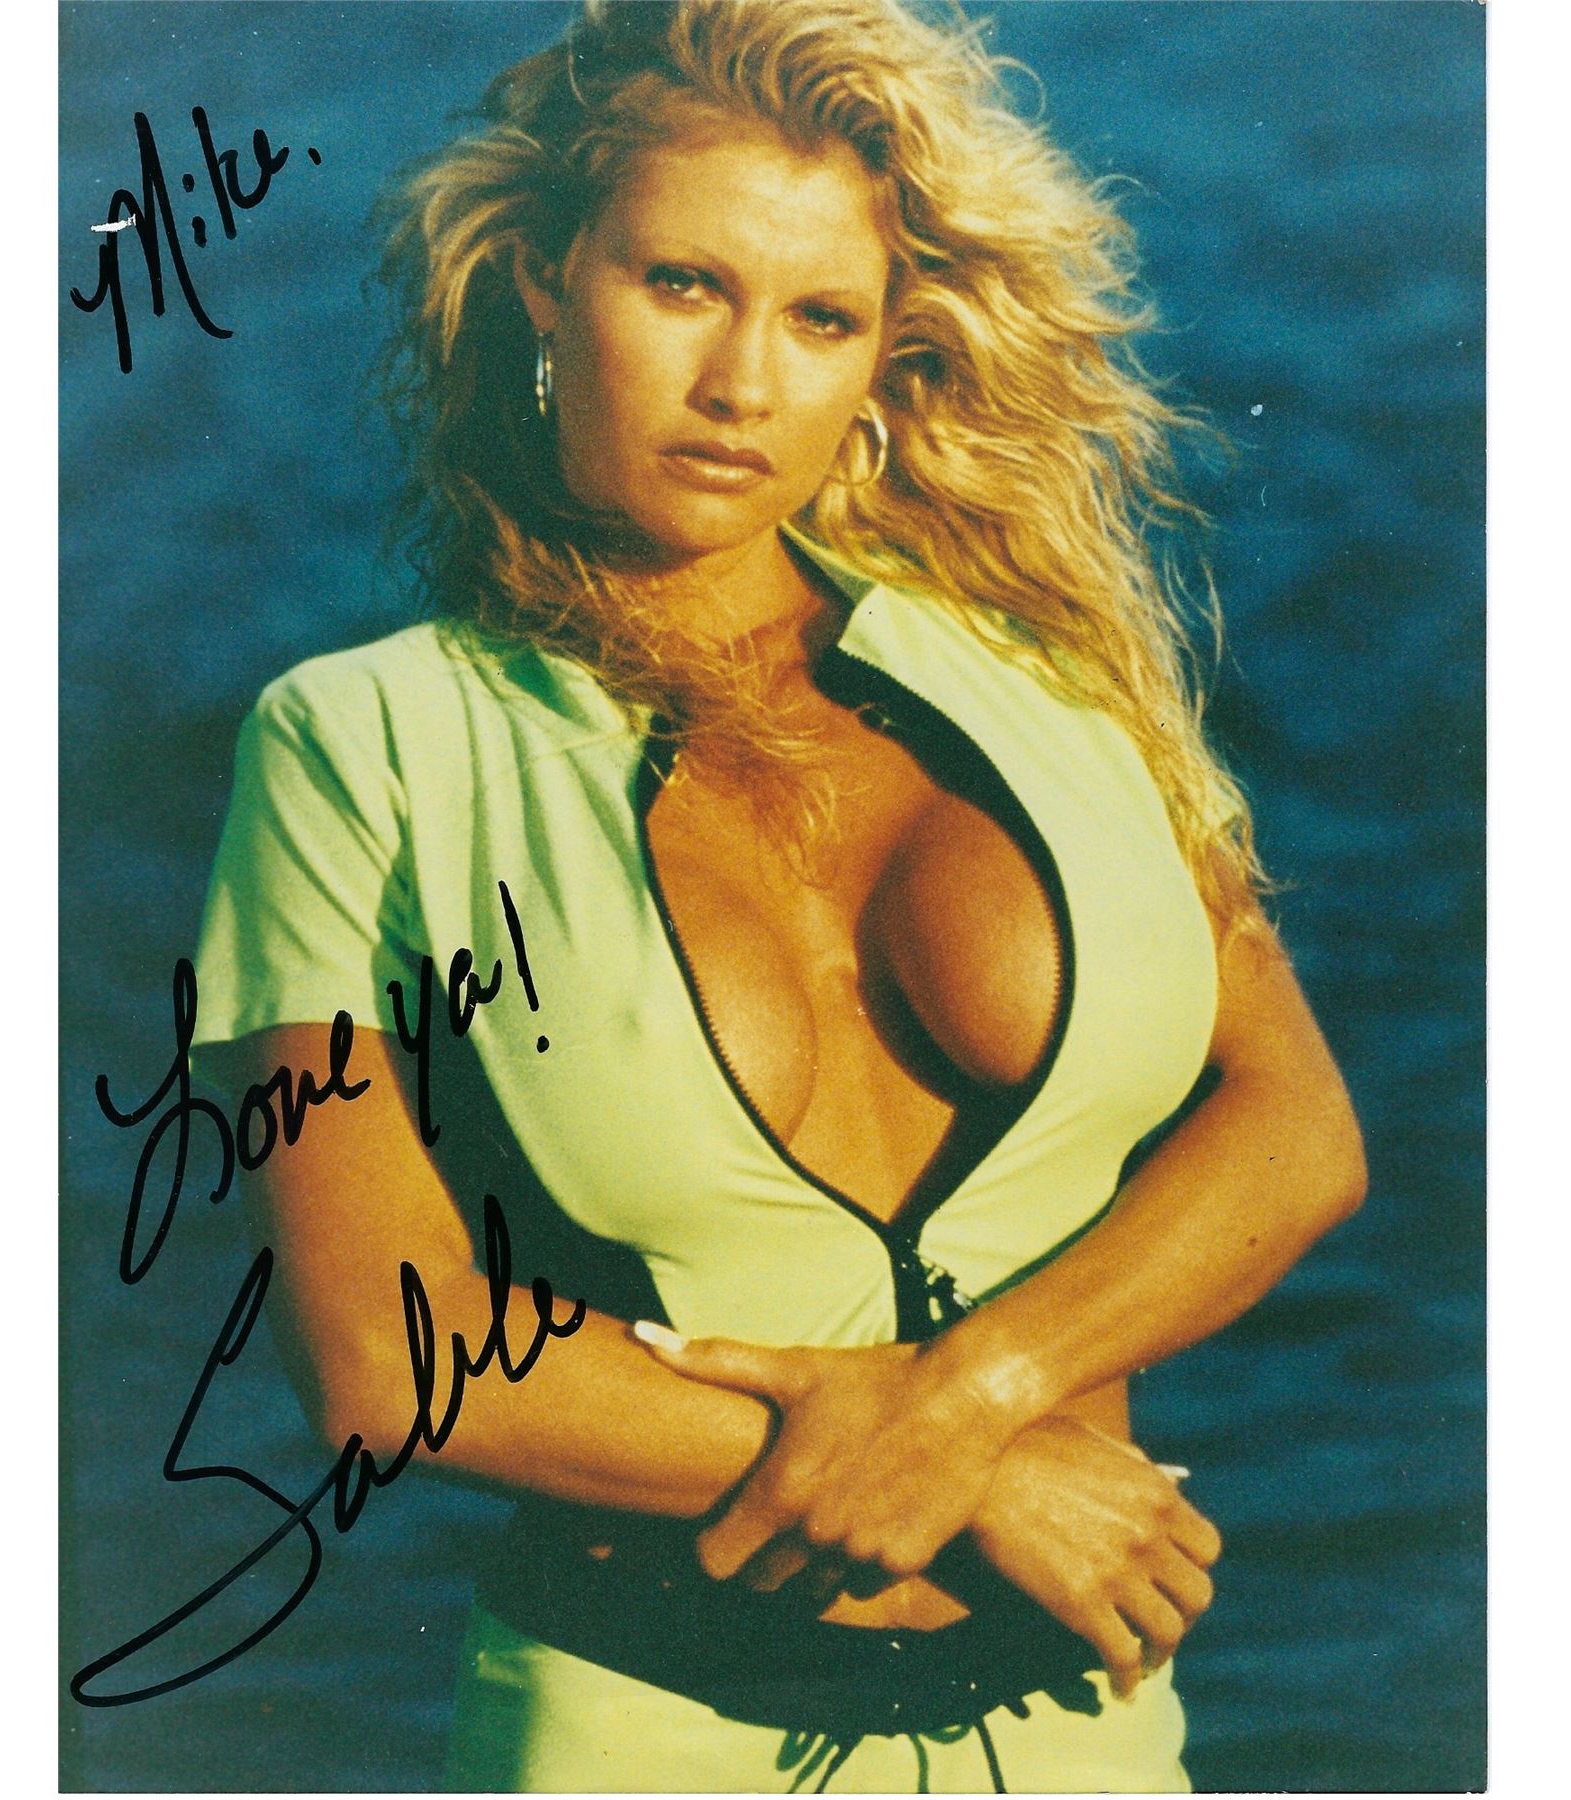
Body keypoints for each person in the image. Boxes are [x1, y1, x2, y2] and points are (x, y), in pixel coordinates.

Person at [190, 0, 1367, 1789]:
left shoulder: (1052, 681)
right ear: (543, 283)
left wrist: (967, 1401)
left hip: (1093, 1736)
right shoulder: (361, 746)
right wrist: (983, 1482)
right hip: (639, 1734)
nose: (744, 385)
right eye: (682, 285)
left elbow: (1292, 1120)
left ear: (886, 351)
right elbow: (381, 1351)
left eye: (821, 318)